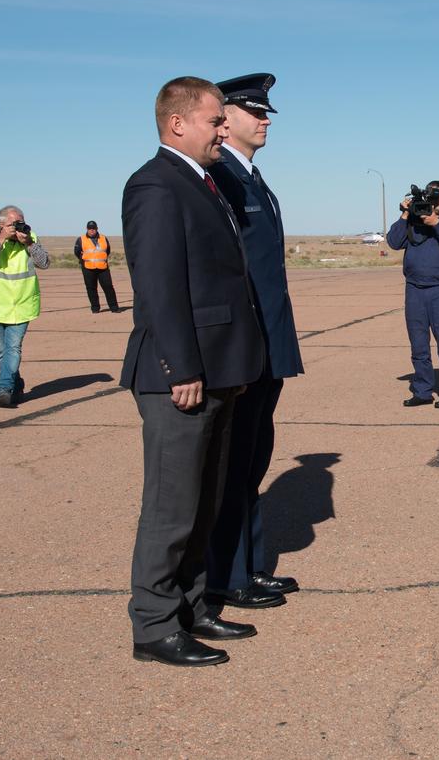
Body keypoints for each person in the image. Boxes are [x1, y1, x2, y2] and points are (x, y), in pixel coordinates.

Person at [121, 76, 267, 667]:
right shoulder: (156, 184)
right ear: (178, 123)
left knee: (204, 500)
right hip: (179, 374)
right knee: (172, 506)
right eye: (213, 121)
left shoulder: (203, 182)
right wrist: (182, 364)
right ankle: (154, 626)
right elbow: (157, 286)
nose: (221, 130)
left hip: (218, 369)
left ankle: (193, 607)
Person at [204, 73, 306, 611]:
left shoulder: (253, 178)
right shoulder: (220, 178)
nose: (265, 120)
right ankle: (226, 574)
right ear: (226, 116)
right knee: (234, 461)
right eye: (255, 112)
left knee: (253, 461)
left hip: (268, 342)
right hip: (246, 345)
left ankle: (251, 563)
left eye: (266, 113)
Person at [387, 180, 439, 408]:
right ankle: (422, 391)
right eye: (435, 195)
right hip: (414, 291)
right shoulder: (412, 220)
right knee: (418, 345)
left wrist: (435, 223)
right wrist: (404, 214)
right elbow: (393, 242)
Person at [0, 205, 50, 407]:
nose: (18, 227)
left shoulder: (29, 236)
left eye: (21, 222)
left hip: (22, 303)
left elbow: (45, 263)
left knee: (13, 348)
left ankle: (3, 389)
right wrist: (1, 240)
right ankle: (16, 384)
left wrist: (30, 245)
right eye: (13, 224)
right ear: (1, 224)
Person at [73, 220, 121, 313]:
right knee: (91, 288)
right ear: (87, 229)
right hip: (88, 268)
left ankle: (114, 308)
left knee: (108, 287)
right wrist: (83, 260)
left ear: (97, 229)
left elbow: (108, 251)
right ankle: (95, 308)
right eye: (90, 229)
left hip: (103, 268)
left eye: (93, 228)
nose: (92, 230)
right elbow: (77, 252)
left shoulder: (103, 238)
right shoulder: (81, 239)